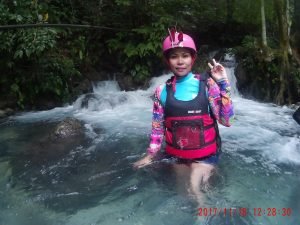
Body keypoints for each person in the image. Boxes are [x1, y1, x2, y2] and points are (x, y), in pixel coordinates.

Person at [133, 28, 234, 205]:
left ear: (193, 58)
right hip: (177, 155)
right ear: (167, 61)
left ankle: (204, 216)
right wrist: (150, 155)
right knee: (181, 191)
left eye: (185, 55)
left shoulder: (208, 85)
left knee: (194, 186)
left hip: (206, 156)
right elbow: (157, 129)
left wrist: (223, 83)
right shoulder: (161, 91)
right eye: (174, 56)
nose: (180, 62)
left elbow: (226, 120)